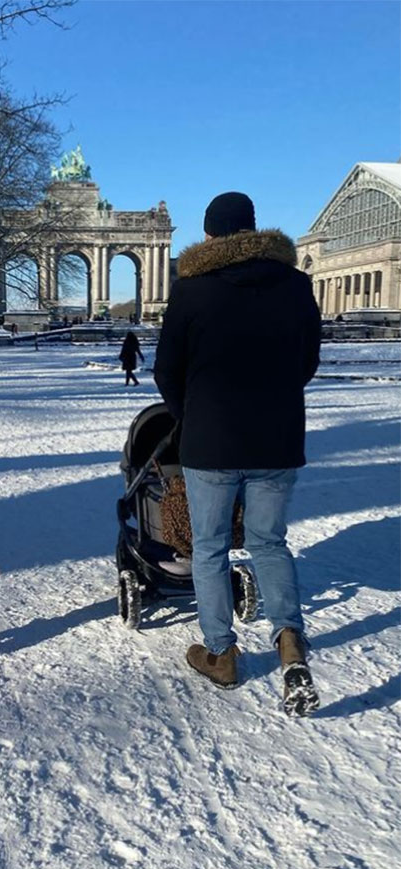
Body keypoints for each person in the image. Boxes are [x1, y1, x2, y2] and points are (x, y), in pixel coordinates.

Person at [154, 191, 321, 717]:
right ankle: (289, 640)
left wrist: (192, 413)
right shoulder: (296, 286)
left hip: (211, 442)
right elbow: (307, 363)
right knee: (270, 543)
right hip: (276, 439)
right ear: (253, 229)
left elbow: (166, 371)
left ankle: (222, 652)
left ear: (209, 235)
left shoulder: (192, 290)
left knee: (210, 546)